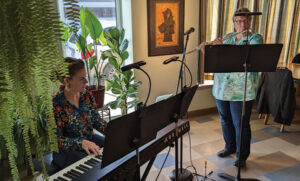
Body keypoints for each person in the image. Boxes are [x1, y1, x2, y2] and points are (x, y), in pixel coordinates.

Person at [199, 8, 263, 168]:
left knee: (240, 122)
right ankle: (230, 146)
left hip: (242, 91)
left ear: (250, 22)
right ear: (234, 23)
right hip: (222, 88)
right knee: (225, 119)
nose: (242, 24)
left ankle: (242, 155)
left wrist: (223, 48)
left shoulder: (255, 39)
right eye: (239, 21)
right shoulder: (227, 38)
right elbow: (216, 61)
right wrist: (207, 50)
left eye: (245, 21)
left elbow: (242, 56)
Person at [52, 57, 106, 169]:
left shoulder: (87, 95)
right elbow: (57, 140)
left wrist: (116, 131)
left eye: (85, 77)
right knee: (93, 166)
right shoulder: (55, 103)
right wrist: (81, 143)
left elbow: (97, 122)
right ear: (67, 81)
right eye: (81, 79)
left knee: (115, 147)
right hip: (66, 151)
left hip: (89, 140)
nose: (86, 82)